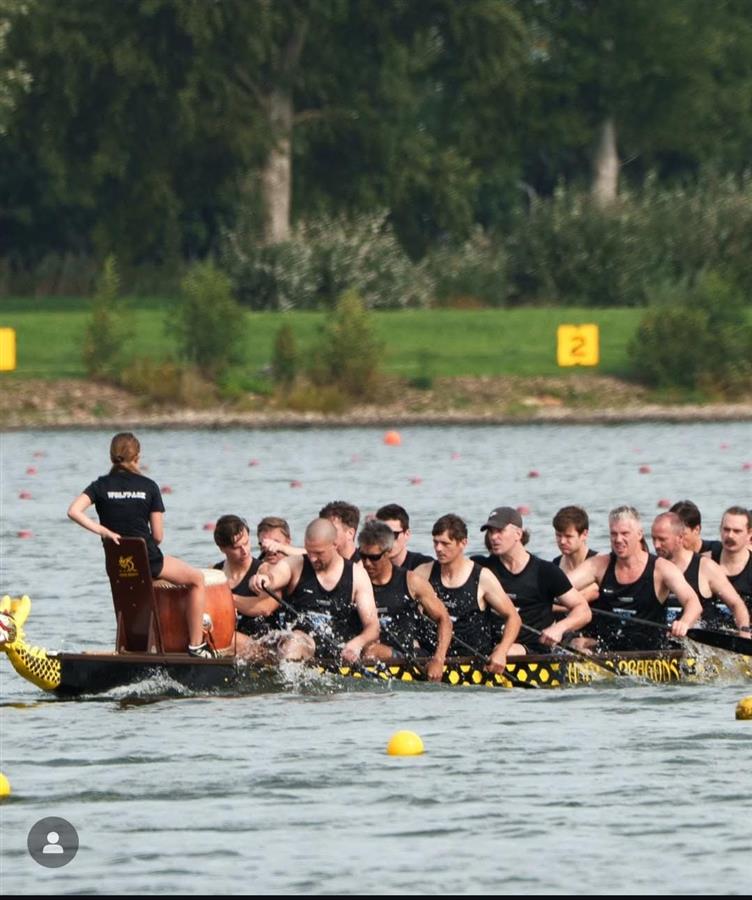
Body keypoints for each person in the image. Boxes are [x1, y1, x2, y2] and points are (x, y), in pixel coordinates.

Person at [67, 432, 215, 658]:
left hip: (117, 564)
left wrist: (103, 531)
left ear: (111, 457)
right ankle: (196, 645)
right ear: (137, 457)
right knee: (196, 579)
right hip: (148, 560)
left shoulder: (99, 485)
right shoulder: (149, 486)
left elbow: (73, 511)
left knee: (131, 591)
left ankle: (129, 646)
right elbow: (157, 535)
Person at [569, 506, 702, 651]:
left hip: (652, 654)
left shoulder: (661, 569)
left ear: (639, 534)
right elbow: (560, 586)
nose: (618, 539)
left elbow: (693, 603)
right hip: (608, 652)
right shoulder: (599, 565)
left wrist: (684, 623)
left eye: (625, 533)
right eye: (614, 534)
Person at [250, 518, 379, 662]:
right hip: (301, 643)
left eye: (318, 553)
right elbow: (275, 576)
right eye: (309, 551)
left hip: (339, 650)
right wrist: (265, 579)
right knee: (295, 640)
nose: (312, 558)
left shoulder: (358, 575)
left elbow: (373, 627)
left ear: (334, 545)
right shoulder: (296, 564)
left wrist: (357, 643)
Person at [473, 507, 591, 653]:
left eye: (499, 531)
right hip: (492, 648)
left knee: (505, 651)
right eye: (490, 531)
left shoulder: (545, 571)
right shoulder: (481, 568)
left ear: (518, 534)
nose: (493, 537)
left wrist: (559, 628)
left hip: (534, 650)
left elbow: (584, 610)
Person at [413, 514, 521, 674]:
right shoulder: (423, 573)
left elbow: (514, 617)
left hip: (473, 661)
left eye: (445, 543)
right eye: (435, 542)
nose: (438, 549)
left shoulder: (482, 577)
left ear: (463, 543)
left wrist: (501, 651)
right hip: (429, 659)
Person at [357, 519, 452, 680]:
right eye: (362, 556)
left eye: (373, 558)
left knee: (372, 650)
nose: (367, 563)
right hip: (362, 655)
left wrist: (438, 659)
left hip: (403, 659)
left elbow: (444, 619)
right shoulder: (356, 579)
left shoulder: (412, 581)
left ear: (388, 552)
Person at [651, 512, 750, 633]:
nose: (656, 545)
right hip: (661, 644)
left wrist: (744, 631)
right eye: (653, 538)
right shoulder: (651, 566)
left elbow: (737, 605)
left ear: (680, 538)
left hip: (701, 644)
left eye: (662, 539)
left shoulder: (706, 567)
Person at [212, 515, 282, 642]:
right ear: (222, 549)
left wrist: (226, 598)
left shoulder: (265, 570)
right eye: (236, 547)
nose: (245, 551)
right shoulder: (215, 573)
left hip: (262, 644)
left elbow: (266, 607)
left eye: (246, 543)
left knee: (228, 639)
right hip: (230, 640)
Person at [707, 507, 752, 613]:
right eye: (726, 529)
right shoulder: (703, 562)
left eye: (737, 531)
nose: (730, 535)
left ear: (749, 534)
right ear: (720, 529)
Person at [551, 505, 599, 604]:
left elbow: (589, 595)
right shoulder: (554, 565)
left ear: (584, 534)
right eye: (558, 535)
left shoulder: (598, 563)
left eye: (568, 536)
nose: (562, 541)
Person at [374, 503, 433, 570]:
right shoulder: (367, 565)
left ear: (407, 534)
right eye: (381, 535)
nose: (387, 541)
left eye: (393, 535)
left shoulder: (426, 566)